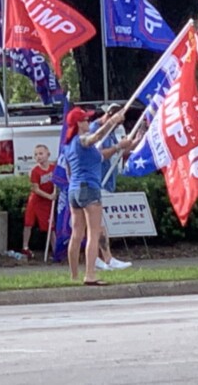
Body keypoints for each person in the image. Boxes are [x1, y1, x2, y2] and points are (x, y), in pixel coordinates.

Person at [64, 106, 136, 285]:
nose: (89, 122)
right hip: (90, 188)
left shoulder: (69, 146)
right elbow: (94, 138)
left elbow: (100, 156)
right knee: (93, 233)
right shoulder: (82, 140)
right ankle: (90, 275)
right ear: (78, 123)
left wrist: (119, 146)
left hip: (74, 190)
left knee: (76, 234)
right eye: (85, 120)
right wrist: (111, 122)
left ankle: (73, 275)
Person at [89, 104, 132, 271]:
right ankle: (104, 258)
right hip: (97, 181)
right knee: (96, 224)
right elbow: (98, 154)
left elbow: (120, 149)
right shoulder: (95, 129)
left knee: (97, 224)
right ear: (109, 115)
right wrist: (117, 147)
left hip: (107, 181)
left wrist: (133, 141)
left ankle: (101, 258)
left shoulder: (112, 132)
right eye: (116, 120)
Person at [20, 145, 55, 259]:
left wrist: (53, 194)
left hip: (47, 202)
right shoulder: (35, 171)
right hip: (36, 201)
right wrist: (49, 196)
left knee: (51, 225)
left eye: (41, 153)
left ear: (47, 154)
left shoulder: (53, 168)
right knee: (28, 223)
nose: (38, 156)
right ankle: (25, 247)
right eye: (36, 154)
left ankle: (56, 250)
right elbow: (35, 189)